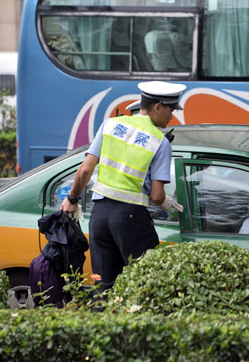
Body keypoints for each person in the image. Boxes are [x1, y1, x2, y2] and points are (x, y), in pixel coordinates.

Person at [61, 80, 186, 295]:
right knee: (146, 285)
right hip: (131, 218)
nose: (172, 116)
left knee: (103, 285)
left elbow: (84, 171)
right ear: (157, 107)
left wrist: (72, 200)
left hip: (99, 216)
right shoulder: (160, 142)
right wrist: (169, 203)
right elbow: (156, 196)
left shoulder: (109, 125)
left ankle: (100, 324)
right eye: (171, 109)